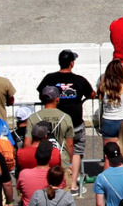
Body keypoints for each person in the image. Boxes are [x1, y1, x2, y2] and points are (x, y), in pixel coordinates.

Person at [38, 49, 96, 185]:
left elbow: (41, 95)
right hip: (74, 124)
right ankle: (73, 183)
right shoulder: (79, 80)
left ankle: (53, 182)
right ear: (71, 63)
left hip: (54, 125)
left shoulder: (49, 78)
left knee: (54, 151)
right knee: (76, 152)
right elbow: (92, 94)